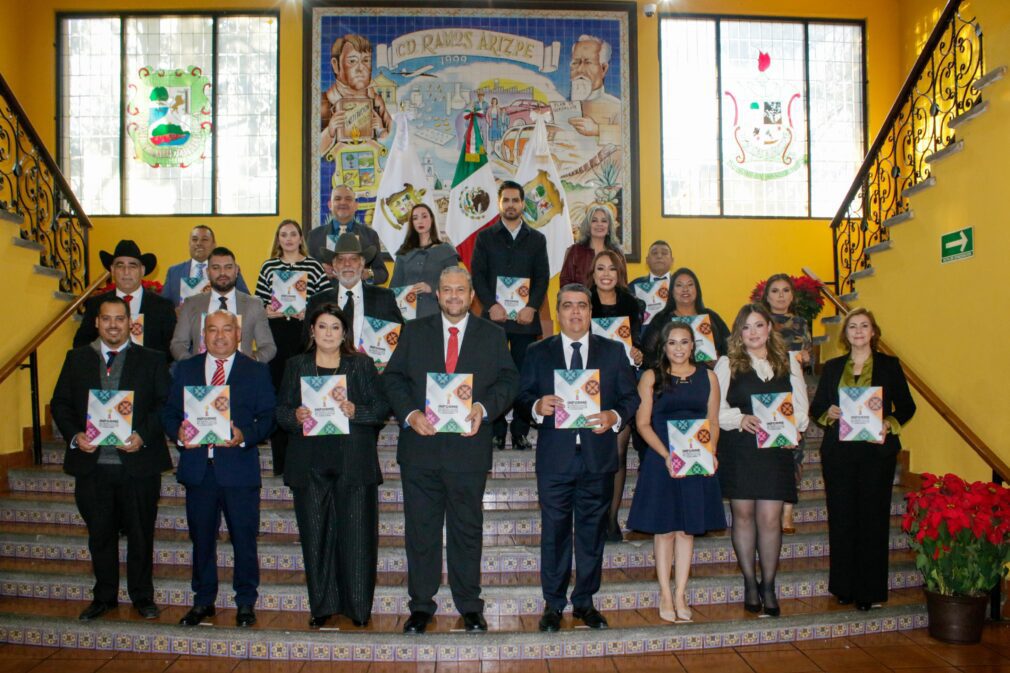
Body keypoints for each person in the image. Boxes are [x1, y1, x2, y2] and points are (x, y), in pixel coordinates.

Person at [382, 266, 519, 635]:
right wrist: (410, 414)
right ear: (438, 295)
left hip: (468, 450)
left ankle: (470, 605)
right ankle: (420, 606)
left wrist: (484, 409)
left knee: (467, 530)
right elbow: (392, 378)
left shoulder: (492, 335)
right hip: (421, 450)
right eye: (447, 290)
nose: (454, 296)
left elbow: (509, 380)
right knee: (421, 531)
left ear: (471, 295)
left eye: (461, 290)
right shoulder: (414, 332)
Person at [516, 284, 639, 632]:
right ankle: (553, 604)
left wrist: (614, 416)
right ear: (557, 312)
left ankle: (584, 601)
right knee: (554, 532)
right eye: (568, 305)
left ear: (590, 311)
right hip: (555, 460)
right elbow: (522, 396)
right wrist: (537, 406)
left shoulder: (613, 351)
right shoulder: (538, 352)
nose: (575, 312)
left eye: (582, 305)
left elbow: (631, 398)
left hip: (597, 459)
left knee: (591, 533)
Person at [51, 296, 172, 622]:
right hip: (93, 466)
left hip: (138, 464)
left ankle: (142, 596)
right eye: (106, 319)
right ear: (97, 322)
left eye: (120, 319)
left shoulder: (152, 359)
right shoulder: (76, 359)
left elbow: (165, 404)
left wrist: (143, 435)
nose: (113, 325)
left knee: (141, 534)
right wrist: (75, 435)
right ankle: (104, 596)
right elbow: (60, 403)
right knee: (100, 534)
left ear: (130, 322)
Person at [276, 304, 388, 629]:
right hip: (309, 464)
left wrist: (356, 411)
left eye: (335, 327)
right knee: (316, 537)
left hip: (353, 463)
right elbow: (280, 411)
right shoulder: (296, 365)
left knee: (357, 538)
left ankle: (358, 607)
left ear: (344, 333)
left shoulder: (361, 364)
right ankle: (322, 605)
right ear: (312, 331)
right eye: (322, 326)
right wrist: (295, 416)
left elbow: (381, 407)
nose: (328, 333)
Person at [162, 310, 276, 628]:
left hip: (239, 469)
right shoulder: (186, 369)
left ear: (239, 334)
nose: (220, 336)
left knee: (244, 538)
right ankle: (203, 600)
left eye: (227, 329)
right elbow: (169, 412)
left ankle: (245, 601)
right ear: (204, 335)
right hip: (199, 470)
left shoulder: (255, 371)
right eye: (212, 329)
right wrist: (179, 434)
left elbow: (269, 417)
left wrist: (245, 435)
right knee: (201, 539)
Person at [810, 308, 915, 612]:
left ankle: (869, 590)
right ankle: (843, 587)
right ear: (845, 334)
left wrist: (888, 424)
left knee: (873, 520)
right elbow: (817, 407)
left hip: (875, 454)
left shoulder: (889, 365)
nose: (858, 331)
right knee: (841, 518)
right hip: (839, 454)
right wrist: (828, 413)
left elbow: (906, 407)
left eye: (864, 326)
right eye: (852, 326)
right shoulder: (833, 367)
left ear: (873, 332)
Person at [627, 321, 725, 623]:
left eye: (684, 342)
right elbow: (642, 424)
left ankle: (680, 592)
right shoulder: (651, 377)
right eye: (672, 342)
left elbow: (713, 422)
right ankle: (665, 594)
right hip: (663, 460)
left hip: (695, 460)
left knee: (687, 530)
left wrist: (710, 453)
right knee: (665, 530)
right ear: (664, 346)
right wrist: (666, 455)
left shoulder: (709, 377)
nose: (679, 348)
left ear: (693, 345)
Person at [715, 304, 809, 617]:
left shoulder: (789, 361)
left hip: (775, 450)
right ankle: (749, 583)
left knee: (770, 519)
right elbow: (715, 409)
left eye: (758, 325)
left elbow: (801, 408)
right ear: (738, 333)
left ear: (769, 328)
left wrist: (792, 428)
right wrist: (739, 419)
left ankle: (768, 585)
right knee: (742, 515)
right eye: (746, 327)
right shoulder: (727, 363)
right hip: (740, 447)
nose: (753, 332)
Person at [471, 180, 549, 451]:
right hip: (494, 319)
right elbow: (477, 275)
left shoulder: (537, 239)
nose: (511, 205)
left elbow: (542, 277)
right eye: (506, 200)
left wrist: (532, 307)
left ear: (523, 204)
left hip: (525, 321)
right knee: (492, 375)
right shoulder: (485, 237)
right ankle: (496, 430)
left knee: (524, 376)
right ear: (499, 203)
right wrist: (491, 304)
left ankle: (520, 431)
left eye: (516, 200)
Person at [254, 220, 329, 475]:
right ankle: (281, 462)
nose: (288, 239)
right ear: (278, 239)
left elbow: (326, 302)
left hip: (303, 335)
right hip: (276, 334)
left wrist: (309, 313)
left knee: (306, 392)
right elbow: (258, 303)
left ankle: (308, 459)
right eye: (283, 234)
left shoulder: (313, 266)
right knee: (280, 394)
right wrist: (268, 311)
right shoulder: (269, 266)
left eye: (293, 234)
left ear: (300, 238)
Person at [586, 249, 643, 542]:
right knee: (595, 454)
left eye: (611, 269)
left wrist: (638, 352)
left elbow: (638, 342)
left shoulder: (632, 304)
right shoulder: (585, 301)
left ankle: (611, 519)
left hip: (621, 383)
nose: (606, 274)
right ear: (593, 273)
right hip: (590, 386)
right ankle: (594, 518)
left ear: (619, 273)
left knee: (618, 454)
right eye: (600, 268)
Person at [760, 273, 814, 536]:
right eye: (775, 291)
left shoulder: (802, 323)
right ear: (766, 296)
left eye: (785, 290)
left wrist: (805, 357)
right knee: (769, 453)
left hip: (793, 393)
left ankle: (788, 510)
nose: (780, 295)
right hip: (766, 392)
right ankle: (767, 504)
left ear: (792, 295)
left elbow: (809, 358)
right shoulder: (760, 322)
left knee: (795, 452)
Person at [74, 240, 176, 361]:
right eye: (120, 265)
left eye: (132, 266)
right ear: (112, 270)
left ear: (142, 270)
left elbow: (171, 349)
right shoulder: (96, 304)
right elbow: (80, 344)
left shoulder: (163, 306)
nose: (126, 272)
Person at [171, 247, 277, 363]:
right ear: (208, 272)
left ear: (236, 270)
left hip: (241, 372)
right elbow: (178, 344)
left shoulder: (254, 305)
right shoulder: (191, 304)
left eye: (228, 267)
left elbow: (268, 347)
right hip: (201, 372)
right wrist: (192, 365)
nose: (222, 273)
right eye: (216, 268)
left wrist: (250, 362)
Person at [305, 233, 403, 347]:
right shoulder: (317, 302)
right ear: (334, 265)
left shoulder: (385, 298)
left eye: (353, 259)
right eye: (341, 259)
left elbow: (401, 337)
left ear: (362, 264)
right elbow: (307, 342)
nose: (347, 264)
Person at [642, 268, 730, 369]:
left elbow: (732, 348)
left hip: (711, 375)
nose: (685, 289)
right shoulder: (662, 319)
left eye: (690, 284)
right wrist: (669, 364)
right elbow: (647, 357)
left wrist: (719, 361)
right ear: (671, 292)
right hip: (672, 376)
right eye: (679, 285)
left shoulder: (711, 316)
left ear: (697, 290)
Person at [320, 33, 392, 155]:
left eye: (366, 60)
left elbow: (395, 147)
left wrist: (381, 131)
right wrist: (330, 131)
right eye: (352, 61)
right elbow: (311, 151)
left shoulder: (377, 103)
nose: (360, 68)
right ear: (336, 65)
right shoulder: (324, 103)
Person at [390, 204, 460, 319]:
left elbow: (456, 283)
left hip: (436, 313)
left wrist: (431, 288)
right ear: (412, 223)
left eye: (424, 216)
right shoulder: (404, 252)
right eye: (415, 218)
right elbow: (394, 287)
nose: (420, 221)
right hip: (406, 315)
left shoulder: (446, 251)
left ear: (432, 219)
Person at [308, 184, 389, 284]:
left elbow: (382, 274)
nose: (343, 202)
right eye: (338, 199)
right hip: (326, 293)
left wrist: (368, 273)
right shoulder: (314, 236)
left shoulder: (370, 235)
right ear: (330, 205)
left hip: (359, 293)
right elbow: (305, 273)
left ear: (356, 206)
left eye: (348, 199)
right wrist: (320, 271)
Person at [162, 225, 250, 307]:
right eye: (194, 239)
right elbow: (163, 305)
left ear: (214, 244)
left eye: (204, 239)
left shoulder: (229, 270)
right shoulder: (174, 272)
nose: (199, 243)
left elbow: (246, 301)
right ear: (189, 243)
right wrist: (174, 313)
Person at [568, 35, 621, 144]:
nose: (580, 69)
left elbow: (627, 137)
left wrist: (596, 130)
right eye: (575, 62)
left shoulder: (617, 108)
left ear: (603, 69)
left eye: (588, 63)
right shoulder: (562, 106)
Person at [559, 205, 627, 288]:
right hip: (581, 296)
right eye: (594, 221)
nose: (599, 224)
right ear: (588, 226)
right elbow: (565, 285)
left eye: (604, 221)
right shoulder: (575, 251)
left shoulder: (617, 253)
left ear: (609, 227)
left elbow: (623, 285)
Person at [629, 240, 674, 330]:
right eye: (654, 253)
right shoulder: (634, 286)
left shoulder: (681, 285)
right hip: (643, 336)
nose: (659, 256)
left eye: (664, 253)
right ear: (647, 260)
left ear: (672, 260)